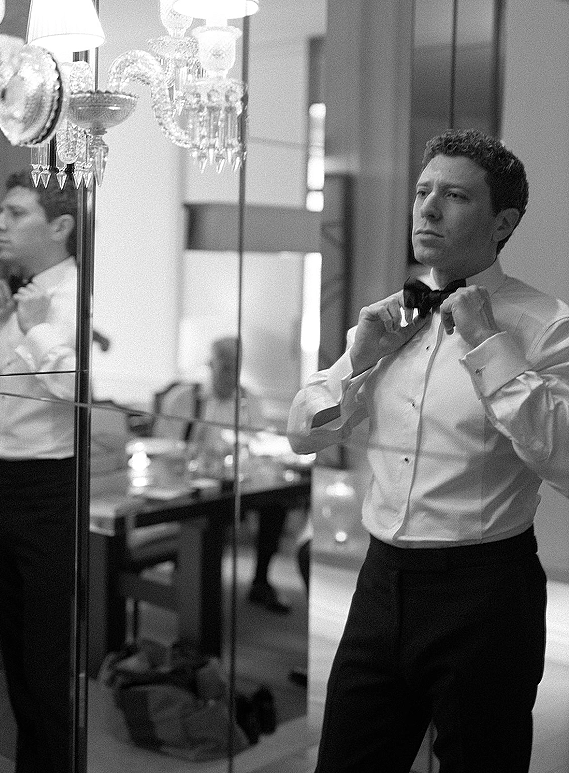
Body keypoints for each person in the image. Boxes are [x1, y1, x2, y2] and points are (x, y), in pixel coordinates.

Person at [287, 128, 569, 772]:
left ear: (503, 221)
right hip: (379, 582)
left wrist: (488, 348)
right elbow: (304, 432)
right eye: (422, 191)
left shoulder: (546, 325)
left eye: (454, 195)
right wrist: (357, 364)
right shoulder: (388, 321)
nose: (428, 208)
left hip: (486, 595)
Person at [0, 170, 78, 773]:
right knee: (11, 657)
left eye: (16, 213)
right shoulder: (0, 294)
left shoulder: (78, 298)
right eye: (1, 213)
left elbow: (69, 391)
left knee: (44, 663)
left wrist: (40, 324)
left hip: (47, 487)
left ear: (59, 227)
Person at [154, 336, 292, 614]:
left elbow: (260, 443)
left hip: (236, 482)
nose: (231, 375)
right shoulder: (184, 399)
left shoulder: (248, 399)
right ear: (210, 365)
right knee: (209, 517)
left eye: (236, 367)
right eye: (225, 367)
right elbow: (164, 447)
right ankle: (197, 588)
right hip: (190, 483)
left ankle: (260, 581)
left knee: (277, 504)